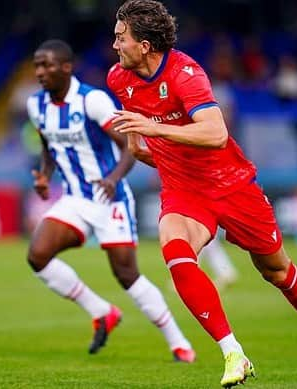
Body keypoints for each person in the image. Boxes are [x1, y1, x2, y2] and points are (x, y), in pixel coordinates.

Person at [107, 1, 297, 387]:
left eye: (121, 38)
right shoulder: (119, 78)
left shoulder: (186, 74)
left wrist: (155, 131)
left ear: (146, 45)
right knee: (175, 249)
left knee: (276, 271)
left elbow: (215, 133)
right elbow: (140, 143)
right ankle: (232, 352)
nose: (115, 44)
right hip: (184, 190)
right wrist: (142, 148)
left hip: (232, 185)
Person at [25, 39, 195, 362]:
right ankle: (102, 311)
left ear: (66, 68)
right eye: (36, 65)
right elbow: (48, 143)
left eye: (47, 65)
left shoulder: (93, 101)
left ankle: (178, 341)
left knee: (127, 275)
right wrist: (45, 174)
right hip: (75, 198)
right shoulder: (36, 105)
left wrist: (113, 179)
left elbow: (130, 147)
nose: (40, 72)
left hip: (110, 200)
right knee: (38, 255)